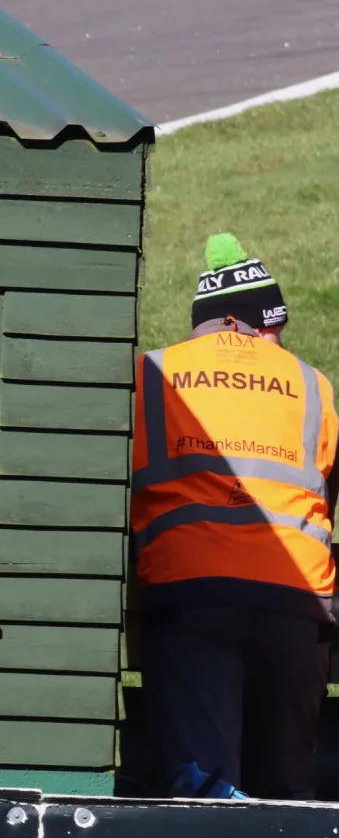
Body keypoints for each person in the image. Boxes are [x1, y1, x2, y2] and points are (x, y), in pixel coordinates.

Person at [131, 233, 339, 801]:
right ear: (236, 319)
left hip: (191, 595)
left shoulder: (150, 376)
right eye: (270, 326)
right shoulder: (312, 384)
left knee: (205, 790)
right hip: (297, 606)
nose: (275, 342)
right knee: (288, 789)